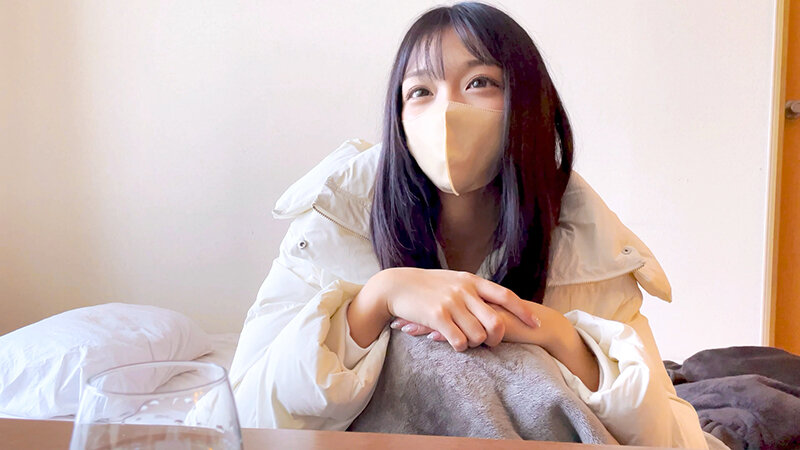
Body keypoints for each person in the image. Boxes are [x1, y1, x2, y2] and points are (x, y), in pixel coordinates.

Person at [228, 3, 713, 447]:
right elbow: (240, 417)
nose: (447, 111)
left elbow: (672, 439)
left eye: (479, 82)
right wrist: (376, 300)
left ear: (528, 102)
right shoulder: (333, 220)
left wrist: (559, 337)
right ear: (398, 118)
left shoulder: (589, 242)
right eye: (420, 91)